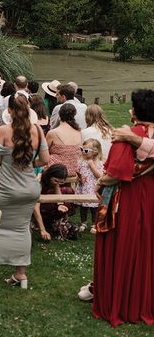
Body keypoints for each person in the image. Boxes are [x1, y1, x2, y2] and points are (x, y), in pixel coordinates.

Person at [93, 89, 154, 327]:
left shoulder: (127, 135)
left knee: (125, 245)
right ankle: (143, 300)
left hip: (127, 199)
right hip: (150, 196)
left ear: (134, 112)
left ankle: (119, 301)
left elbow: (115, 173)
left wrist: (100, 182)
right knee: (146, 246)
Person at [0, 95, 49, 289]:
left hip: (7, 188)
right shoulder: (38, 131)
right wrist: (31, 163)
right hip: (30, 188)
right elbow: (45, 160)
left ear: (9, 111)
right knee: (22, 228)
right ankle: (20, 274)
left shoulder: (3, 131)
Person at [33, 164, 77, 241]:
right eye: (55, 180)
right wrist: (42, 230)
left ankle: (59, 222)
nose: (57, 183)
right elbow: (35, 208)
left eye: (61, 182)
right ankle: (39, 222)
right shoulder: (39, 182)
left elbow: (57, 188)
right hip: (34, 203)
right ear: (49, 176)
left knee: (67, 196)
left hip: (45, 199)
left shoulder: (55, 182)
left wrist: (60, 204)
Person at [45, 104, 82, 178]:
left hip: (56, 170)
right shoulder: (79, 132)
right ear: (74, 115)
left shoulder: (53, 133)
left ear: (59, 114)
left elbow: (44, 151)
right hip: (74, 169)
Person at [76, 138, 103, 234]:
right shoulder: (81, 162)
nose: (83, 152)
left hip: (93, 188)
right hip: (83, 187)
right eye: (82, 149)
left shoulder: (98, 163)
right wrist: (79, 178)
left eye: (86, 151)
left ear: (95, 152)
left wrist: (92, 165)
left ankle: (94, 224)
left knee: (94, 207)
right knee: (83, 206)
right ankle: (83, 222)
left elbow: (100, 176)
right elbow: (78, 174)